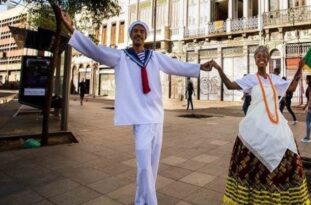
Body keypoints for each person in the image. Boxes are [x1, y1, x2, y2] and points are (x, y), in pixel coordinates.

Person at [60, 11, 212, 205]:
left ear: (145, 36)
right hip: (140, 118)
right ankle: (151, 202)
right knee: (144, 165)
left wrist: (199, 67)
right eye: (135, 31)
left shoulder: (154, 57)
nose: (138, 34)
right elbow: (95, 51)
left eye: (141, 31)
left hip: (156, 116)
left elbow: (176, 66)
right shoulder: (121, 57)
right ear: (131, 36)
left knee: (152, 164)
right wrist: (71, 28)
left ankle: (141, 200)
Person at [210, 46, 310, 205]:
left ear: (268, 59)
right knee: (252, 164)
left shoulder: (274, 79)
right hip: (255, 127)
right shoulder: (250, 79)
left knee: (287, 155)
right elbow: (229, 85)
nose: (261, 58)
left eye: (264, 56)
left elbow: (291, 88)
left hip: (276, 126)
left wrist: (299, 69)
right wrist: (219, 68)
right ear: (255, 60)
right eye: (258, 57)